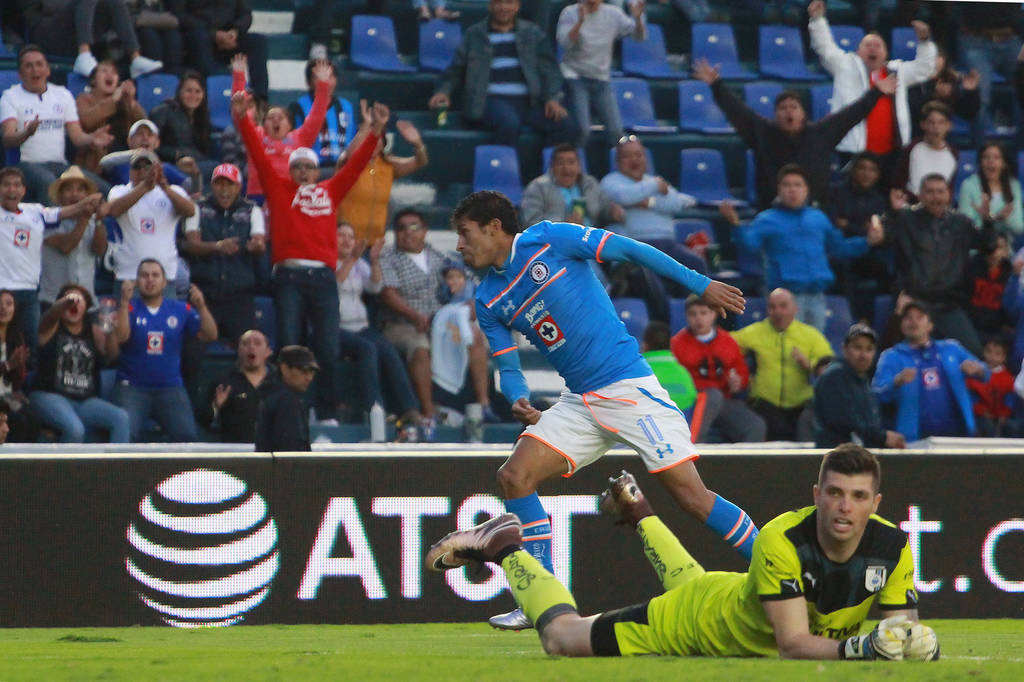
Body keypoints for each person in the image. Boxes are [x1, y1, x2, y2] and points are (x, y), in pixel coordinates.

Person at [454, 190, 755, 630]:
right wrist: (518, 397)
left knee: (692, 497)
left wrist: (700, 283)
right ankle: (543, 601)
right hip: (580, 401)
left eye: (465, 234)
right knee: (514, 476)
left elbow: (631, 250)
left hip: (628, 387)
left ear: (494, 227)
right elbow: (508, 366)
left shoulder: (550, 238)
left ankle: (776, 567)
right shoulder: (488, 298)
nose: (459, 245)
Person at [426, 445, 940, 663]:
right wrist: (861, 649)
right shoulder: (783, 540)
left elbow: (901, 632)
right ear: (816, 495)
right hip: (699, 625)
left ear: (875, 504)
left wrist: (917, 645)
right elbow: (791, 644)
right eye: (835, 493)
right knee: (561, 639)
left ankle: (639, 512)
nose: (844, 507)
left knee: (697, 582)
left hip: (725, 596)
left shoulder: (893, 546)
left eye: (857, 497)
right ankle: (505, 545)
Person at [232, 92, 388, 424]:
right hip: (289, 276)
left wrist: (375, 131)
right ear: (290, 170)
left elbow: (356, 165)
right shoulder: (278, 188)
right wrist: (243, 118)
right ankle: (291, 410)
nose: (303, 171)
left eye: (309, 167)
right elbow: (257, 153)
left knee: (328, 349)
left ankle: (325, 412)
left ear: (317, 172)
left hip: (323, 278)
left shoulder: (330, 190)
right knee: (290, 346)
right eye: (298, 166)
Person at [692, 57, 896, 209]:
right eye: (783, 108)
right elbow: (737, 111)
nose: (788, 111)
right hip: (772, 213)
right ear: (775, 115)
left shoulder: (821, 133)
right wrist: (717, 86)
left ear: (803, 114)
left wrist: (876, 93)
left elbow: (852, 114)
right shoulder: (763, 132)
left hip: (814, 213)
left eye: (794, 107)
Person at [720, 164, 883, 331]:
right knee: (787, 343)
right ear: (779, 190)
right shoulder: (767, 219)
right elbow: (749, 244)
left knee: (814, 344)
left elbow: (839, 248)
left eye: (797, 185)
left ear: (806, 190)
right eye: (787, 185)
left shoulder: (818, 218)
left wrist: (867, 241)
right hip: (784, 296)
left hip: (816, 296)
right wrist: (735, 225)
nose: (792, 190)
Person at [379, 208, 495, 438]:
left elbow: (471, 285)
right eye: (401, 228)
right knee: (419, 347)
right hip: (403, 323)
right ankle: (428, 411)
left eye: (414, 227)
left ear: (424, 231)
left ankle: (483, 404)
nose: (407, 232)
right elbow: (388, 294)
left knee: (474, 335)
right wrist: (415, 316)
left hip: (439, 322)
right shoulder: (388, 258)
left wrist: (470, 305)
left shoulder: (440, 257)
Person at [427, 0, 577, 147]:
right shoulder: (474, 34)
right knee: (509, 123)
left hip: (529, 103)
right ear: (490, 5)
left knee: (566, 125)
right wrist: (443, 91)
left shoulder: (533, 33)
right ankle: (501, 163)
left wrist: (552, 98)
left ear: (517, 6)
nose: (503, 7)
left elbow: (550, 70)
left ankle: (549, 164)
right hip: (488, 101)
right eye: (498, 2)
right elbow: (456, 69)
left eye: (509, 2)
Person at [808, 1, 936, 173]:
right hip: (853, 151)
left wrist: (925, 42)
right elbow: (825, 48)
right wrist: (817, 20)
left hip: (890, 153)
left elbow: (925, 68)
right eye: (868, 45)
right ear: (858, 51)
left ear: (885, 53)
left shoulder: (897, 71)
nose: (873, 49)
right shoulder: (845, 65)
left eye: (878, 46)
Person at [880, 173, 995, 357]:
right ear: (920, 194)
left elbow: (988, 247)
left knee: (974, 354)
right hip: (915, 302)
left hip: (948, 304)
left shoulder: (960, 222)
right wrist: (892, 213)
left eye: (940, 192)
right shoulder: (905, 217)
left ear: (948, 194)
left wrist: (988, 222)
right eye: (930, 192)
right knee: (893, 355)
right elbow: (882, 240)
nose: (936, 197)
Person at [0, 165, 104, 351]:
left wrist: (92, 209)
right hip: (6, 291)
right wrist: (87, 208)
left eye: (16, 185)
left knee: (33, 349)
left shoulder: (36, 212)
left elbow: (68, 214)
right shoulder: (49, 224)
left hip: (29, 292)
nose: (11, 189)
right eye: (6, 185)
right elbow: (66, 244)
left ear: (24, 190)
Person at [113, 259, 217, 441]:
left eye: (155, 275)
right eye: (144, 275)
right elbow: (120, 338)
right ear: (136, 281)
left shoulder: (181, 309)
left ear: (164, 282)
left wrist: (201, 307)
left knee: (187, 438)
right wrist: (123, 302)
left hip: (170, 387)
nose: (150, 280)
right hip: (132, 387)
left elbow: (210, 335)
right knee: (125, 437)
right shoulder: (128, 307)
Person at [0, 46, 113, 204]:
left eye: (39, 64)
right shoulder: (10, 97)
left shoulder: (62, 94)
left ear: (48, 70)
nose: (35, 70)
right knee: (49, 182)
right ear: (20, 74)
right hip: (27, 165)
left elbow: (77, 137)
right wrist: (26, 133)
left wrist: (91, 138)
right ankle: (55, 221)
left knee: (106, 191)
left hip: (60, 165)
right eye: (28, 66)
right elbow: (7, 138)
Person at [335, 222, 420, 429]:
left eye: (351, 236)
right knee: (368, 349)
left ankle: (410, 409)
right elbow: (335, 284)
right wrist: (352, 259)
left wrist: (373, 262)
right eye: (341, 235)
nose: (347, 240)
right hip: (337, 329)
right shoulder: (328, 261)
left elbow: (374, 287)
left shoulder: (359, 264)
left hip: (361, 327)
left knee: (387, 350)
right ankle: (375, 409)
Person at [872, 300, 987, 442]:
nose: (913, 321)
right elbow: (877, 394)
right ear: (902, 325)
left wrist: (978, 370)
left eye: (919, 317)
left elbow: (986, 373)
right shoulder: (891, 356)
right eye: (908, 317)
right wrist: (896, 381)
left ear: (930, 325)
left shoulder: (951, 348)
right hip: (914, 439)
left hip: (958, 435)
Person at [30, 284, 129, 443]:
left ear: (87, 308)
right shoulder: (51, 326)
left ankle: (117, 461)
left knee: (121, 418)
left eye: (79, 300)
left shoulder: (94, 330)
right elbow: (51, 315)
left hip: (84, 401)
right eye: (69, 298)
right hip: (49, 395)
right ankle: (67, 462)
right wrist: (65, 303)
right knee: (75, 429)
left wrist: (110, 333)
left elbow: (112, 356)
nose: (74, 303)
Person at [732, 288, 833, 442]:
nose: (778, 312)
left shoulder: (811, 335)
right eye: (772, 307)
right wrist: (733, 372)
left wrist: (810, 365)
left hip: (801, 405)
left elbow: (830, 366)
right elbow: (725, 344)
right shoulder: (755, 332)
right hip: (764, 404)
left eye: (783, 306)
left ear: (795, 308)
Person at [181, 162, 265, 345]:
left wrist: (256, 246)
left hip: (239, 296)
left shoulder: (252, 210)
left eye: (229, 184)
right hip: (204, 294)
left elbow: (259, 243)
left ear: (239, 186)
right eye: (219, 184)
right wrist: (217, 246)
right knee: (193, 350)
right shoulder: (197, 208)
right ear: (212, 185)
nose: (224, 189)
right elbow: (191, 245)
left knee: (248, 348)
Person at [600, 136, 705, 275]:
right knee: (646, 271)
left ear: (645, 159)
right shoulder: (611, 182)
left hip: (668, 244)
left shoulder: (653, 180)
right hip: (638, 244)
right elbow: (624, 196)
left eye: (638, 155)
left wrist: (650, 203)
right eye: (627, 156)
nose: (634, 160)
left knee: (696, 264)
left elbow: (679, 202)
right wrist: (654, 186)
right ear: (618, 161)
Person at [234, 55, 332, 202]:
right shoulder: (257, 136)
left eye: (280, 117)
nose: (275, 120)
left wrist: (323, 86)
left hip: (290, 197)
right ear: (263, 125)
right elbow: (240, 113)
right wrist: (239, 78)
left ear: (290, 126)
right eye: (270, 118)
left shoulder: (300, 138)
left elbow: (316, 117)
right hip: (259, 195)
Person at [670, 294, 765, 443]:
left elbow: (742, 373)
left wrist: (738, 382)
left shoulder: (727, 341)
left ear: (714, 314)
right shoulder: (677, 343)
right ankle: (692, 448)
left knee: (756, 426)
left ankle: (743, 460)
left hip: (723, 401)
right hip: (692, 402)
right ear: (686, 317)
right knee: (713, 395)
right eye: (693, 314)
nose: (698, 319)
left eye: (703, 313)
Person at [556, 0, 646, 145]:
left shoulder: (613, 13)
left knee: (616, 132)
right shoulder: (569, 12)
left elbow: (639, 37)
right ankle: (575, 157)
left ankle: (616, 159)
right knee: (581, 129)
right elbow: (565, 43)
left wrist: (637, 19)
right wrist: (579, 23)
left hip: (601, 79)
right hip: (575, 77)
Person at [106, 149, 196, 293]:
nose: (142, 171)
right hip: (129, 275)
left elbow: (190, 211)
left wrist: (164, 187)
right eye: (137, 167)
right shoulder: (119, 191)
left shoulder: (173, 191)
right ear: (130, 171)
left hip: (164, 277)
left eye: (147, 166)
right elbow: (114, 210)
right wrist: (145, 187)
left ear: (158, 168)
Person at [337, 107, 430, 242]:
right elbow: (350, 155)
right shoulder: (347, 163)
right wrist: (366, 125)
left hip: (375, 242)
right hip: (346, 241)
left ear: (384, 142)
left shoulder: (388, 165)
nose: (373, 142)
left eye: (377, 138)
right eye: (368, 138)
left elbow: (421, 162)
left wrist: (418, 143)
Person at [813, 323, 905, 449]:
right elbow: (844, 421)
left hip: (856, 454)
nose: (863, 355)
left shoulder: (862, 379)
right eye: (857, 347)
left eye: (869, 349)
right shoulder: (835, 375)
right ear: (845, 349)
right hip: (838, 456)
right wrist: (883, 437)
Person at [21, 0, 163, 79]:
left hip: (76, 33)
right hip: (46, 34)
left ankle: (135, 58)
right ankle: (84, 54)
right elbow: (37, 10)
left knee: (114, 2)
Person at [826, 152, 891, 322]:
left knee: (885, 267)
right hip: (838, 249)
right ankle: (848, 320)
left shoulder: (878, 200)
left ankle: (871, 322)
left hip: (866, 251)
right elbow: (833, 225)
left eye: (872, 170)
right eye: (862, 168)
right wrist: (861, 228)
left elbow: (876, 234)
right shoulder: (835, 192)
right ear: (853, 170)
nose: (866, 173)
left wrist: (848, 225)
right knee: (842, 266)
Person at [172, 0, 269, 101]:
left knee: (258, 41)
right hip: (197, 37)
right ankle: (204, 97)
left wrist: (235, 31)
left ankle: (259, 98)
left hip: (230, 36)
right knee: (200, 38)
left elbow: (246, 14)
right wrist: (213, 34)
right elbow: (179, 15)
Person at [957, 2, 1024, 147]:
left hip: (1011, 39)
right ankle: (981, 152)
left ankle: (1020, 151)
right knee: (979, 96)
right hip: (975, 40)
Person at [40, 167, 108, 308]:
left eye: (80, 190)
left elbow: (100, 249)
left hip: (87, 302)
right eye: (68, 189)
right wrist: (84, 218)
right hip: (53, 301)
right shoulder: (49, 219)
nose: (74, 194)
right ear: (60, 196)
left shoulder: (92, 221)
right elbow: (66, 246)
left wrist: (99, 221)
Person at [197, 329, 279, 443]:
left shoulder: (279, 381)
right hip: (235, 449)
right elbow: (202, 421)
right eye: (245, 344)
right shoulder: (223, 382)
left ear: (268, 351)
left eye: (257, 343)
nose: (251, 347)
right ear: (238, 350)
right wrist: (215, 406)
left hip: (273, 449)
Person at [521, 144, 623, 227]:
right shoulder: (538, 187)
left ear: (579, 166)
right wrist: (563, 225)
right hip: (556, 241)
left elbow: (604, 208)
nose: (566, 168)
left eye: (571, 162)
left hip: (591, 239)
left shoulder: (590, 183)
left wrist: (612, 212)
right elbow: (530, 222)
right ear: (552, 166)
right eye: (560, 163)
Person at [73, 61, 146, 175]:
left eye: (114, 72)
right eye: (104, 71)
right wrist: (112, 100)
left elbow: (143, 126)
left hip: (126, 160)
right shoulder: (84, 99)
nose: (110, 75)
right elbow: (86, 121)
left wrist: (131, 101)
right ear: (93, 80)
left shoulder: (124, 102)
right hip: (96, 163)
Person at [286, 59, 356, 170]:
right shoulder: (297, 107)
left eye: (330, 76)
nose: (326, 81)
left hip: (342, 168)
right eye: (319, 77)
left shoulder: (347, 106)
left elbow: (352, 139)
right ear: (308, 82)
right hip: (310, 170)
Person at [149, 71, 215, 185]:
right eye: (188, 90)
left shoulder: (202, 116)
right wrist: (177, 155)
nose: (193, 95)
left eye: (198, 91)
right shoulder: (163, 111)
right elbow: (152, 145)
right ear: (179, 92)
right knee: (215, 169)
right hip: (172, 165)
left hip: (197, 162)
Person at [254, 344, 316, 452]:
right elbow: (290, 450)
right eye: (303, 371)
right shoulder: (286, 400)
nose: (309, 378)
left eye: (312, 372)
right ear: (284, 368)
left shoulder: (268, 393)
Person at [98, 119, 190, 189]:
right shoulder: (120, 165)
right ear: (129, 141)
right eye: (139, 134)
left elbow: (190, 187)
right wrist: (134, 154)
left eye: (150, 135)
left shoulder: (164, 168)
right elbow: (103, 162)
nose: (145, 138)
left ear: (157, 142)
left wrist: (194, 174)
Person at [907, 52, 980, 140]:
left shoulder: (951, 85)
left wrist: (971, 92)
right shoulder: (915, 81)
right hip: (913, 131)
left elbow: (969, 113)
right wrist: (933, 93)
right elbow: (912, 107)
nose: (947, 89)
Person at [958, 141, 1024, 237]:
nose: (991, 161)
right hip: (977, 244)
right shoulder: (968, 186)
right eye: (986, 157)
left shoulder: (1014, 186)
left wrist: (1004, 219)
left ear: (1003, 163)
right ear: (980, 163)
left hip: (1005, 244)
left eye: (996, 157)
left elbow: (1019, 227)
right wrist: (986, 220)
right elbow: (964, 228)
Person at [897, 101, 957, 200]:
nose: (936, 127)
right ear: (923, 124)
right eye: (931, 122)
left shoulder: (953, 154)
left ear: (948, 126)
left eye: (941, 122)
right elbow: (899, 183)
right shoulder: (912, 148)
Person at [0, 289, 36, 443]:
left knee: (34, 419)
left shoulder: (16, 337)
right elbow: (7, 366)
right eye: (0, 304)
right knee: (18, 422)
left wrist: (19, 366)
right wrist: (9, 365)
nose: (3, 308)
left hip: (7, 393)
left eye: (9, 304)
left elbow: (17, 382)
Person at [640, 321, 696, 413]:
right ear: (670, 345)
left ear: (644, 345)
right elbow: (691, 398)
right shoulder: (683, 372)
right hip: (682, 418)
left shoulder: (639, 372)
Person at [967, 336, 1015, 438]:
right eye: (989, 351)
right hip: (980, 416)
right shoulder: (975, 373)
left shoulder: (1008, 379)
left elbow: (1009, 401)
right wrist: (981, 411)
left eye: (997, 354)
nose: (992, 357)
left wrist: (1003, 415)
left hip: (1000, 418)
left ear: (1004, 357)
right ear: (983, 352)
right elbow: (971, 398)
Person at [966, 233, 1012, 339]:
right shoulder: (971, 267)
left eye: (999, 247)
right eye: (991, 246)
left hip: (996, 330)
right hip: (970, 326)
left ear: (1006, 251)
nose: (994, 252)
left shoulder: (1009, 273)